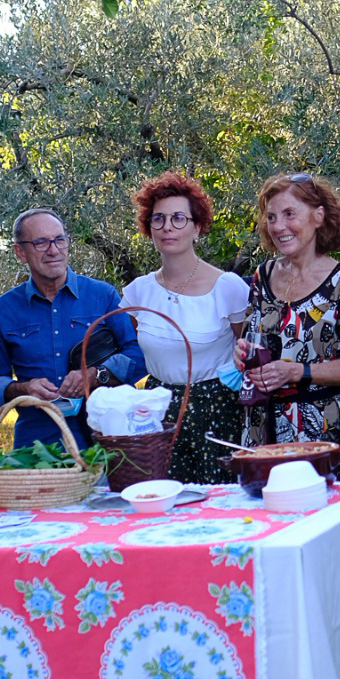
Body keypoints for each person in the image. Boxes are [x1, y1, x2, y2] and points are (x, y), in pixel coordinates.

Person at [120, 172, 249, 482]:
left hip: (218, 411)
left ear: (197, 227)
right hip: (157, 413)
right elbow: (132, 349)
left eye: (179, 218)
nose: (167, 227)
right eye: (159, 219)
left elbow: (249, 352)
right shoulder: (137, 292)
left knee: (220, 501)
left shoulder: (228, 287)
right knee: (164, 497)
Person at [0, 208, 144, 449]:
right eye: (40, 242)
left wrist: (95, 375)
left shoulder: (103, 296)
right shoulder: (3, 310)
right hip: (35, 448)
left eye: (59, 240)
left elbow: (138, 357)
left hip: (104, 445)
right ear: (20, 253)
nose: (53, 250)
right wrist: (22, 389)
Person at [234, 172, 340, 463]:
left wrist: (296, 371)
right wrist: (241, 353)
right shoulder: (262, 276)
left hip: (315, 431)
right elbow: (249, 342)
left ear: (318, 216)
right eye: (271, 217)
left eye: (289, 214)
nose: (278, 226)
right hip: (258, 427)